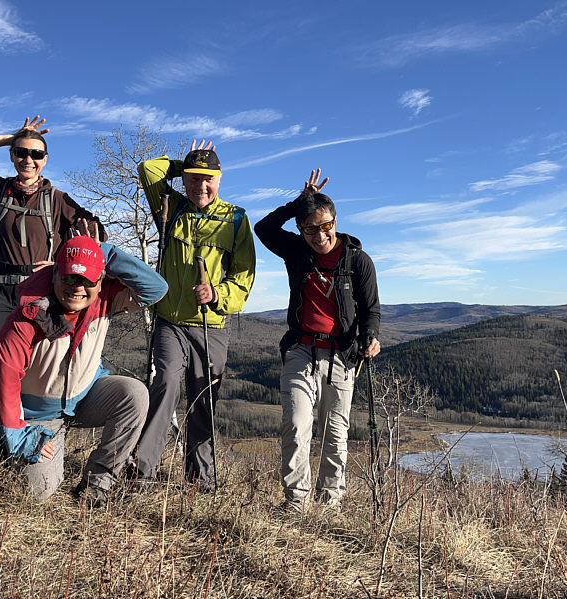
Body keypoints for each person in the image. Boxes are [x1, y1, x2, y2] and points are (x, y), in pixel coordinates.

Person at [0, 222, 168, 507]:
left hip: (86, 397)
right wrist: (19, 435)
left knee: (134, 394)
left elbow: (155, 288)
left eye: (88, 281)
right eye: (69, 278)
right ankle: (15, 454)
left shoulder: (104, 300)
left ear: (100, 281)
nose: (78, 288)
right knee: (39, 490)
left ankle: (98, 483)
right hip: (39, 413)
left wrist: (100, 252)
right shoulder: (28, 317)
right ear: (55, 274)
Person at [0, 118, 105, 449]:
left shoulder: (57, 199)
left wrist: (62, 262)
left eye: (36, 154)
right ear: (12, 156)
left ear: (45, 159)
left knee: (33, 372)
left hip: (40, 293)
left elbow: (95, 230)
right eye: (21, 153)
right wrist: (16, 135)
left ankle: (37, 439)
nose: (28, 160)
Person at [131, 140, 256, 491]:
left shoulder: (236, 219)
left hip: (210, 325)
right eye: (193, 178)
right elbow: (147, 170)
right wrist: (181, 162)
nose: (202, 186)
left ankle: (200, 481)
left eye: (209, 179)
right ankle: (141, 474)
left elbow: (244, 277)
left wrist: (217, 294)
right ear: (184, 180)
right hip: (170, 322)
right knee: (164, 387)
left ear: (220, 180)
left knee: (204, 401)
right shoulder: (170, 207)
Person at [254, 169, 381, 512]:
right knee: (296, 425)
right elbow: (263, 229)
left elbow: (371, 310)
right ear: (301, 229)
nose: (319, 235)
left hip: (342, 355)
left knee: (334, 433)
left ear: (335, 221)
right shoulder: (296, 251)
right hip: (301, 350)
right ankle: (296, 503)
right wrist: (298, 201)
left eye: (325, 226)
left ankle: (330, 505)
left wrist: (370, 336)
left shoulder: (357, 260)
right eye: (310, 228)